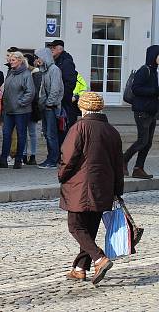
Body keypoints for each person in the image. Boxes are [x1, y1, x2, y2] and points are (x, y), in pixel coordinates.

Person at [59, 92, 124, 285]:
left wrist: (61, 174)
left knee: (76, 226)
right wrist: (117, 190)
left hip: (80, 187)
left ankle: (99, 258)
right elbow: (118, 164)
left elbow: (68, 158)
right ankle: (79, 269)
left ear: (83, 107)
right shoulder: (112, 131)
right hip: (104, 187)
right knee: (90, 229)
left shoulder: (79, 127)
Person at [122, 45, 159, 179]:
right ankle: (123, 160)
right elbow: (136, 89)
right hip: (142, 111)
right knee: (142, 141)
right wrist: (155, 91)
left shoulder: (154, 71)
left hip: (151, 111)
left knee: (148, 143)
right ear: (154, 56)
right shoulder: (144, 70)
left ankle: (138, 168)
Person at [0, 51, 34, 169]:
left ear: (20, 61)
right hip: (9, 110)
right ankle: (3, 159)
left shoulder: (26, 74)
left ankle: (18, 159)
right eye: (10, 60)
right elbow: (7, 90)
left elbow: (30, 92)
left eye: (13, 60)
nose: (10, 62)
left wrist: (20, 103)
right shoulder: (10, 73)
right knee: (6, 134)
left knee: (21, 135)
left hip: (21, 110)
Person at [36, 47, 64, 169]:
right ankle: (50, 157)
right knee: (47, 133)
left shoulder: (54, 70)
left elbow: (55, 89)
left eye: (39, 57)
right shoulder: (45, 71)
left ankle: (53, 159)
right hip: (46, 107)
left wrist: (49, 103)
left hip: (51, 107)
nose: (37, 60)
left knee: (51, 134)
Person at [48, 40, 78, 142]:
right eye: (50, 48)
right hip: (57, 101)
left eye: (53, 48)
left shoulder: (66, 62)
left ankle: (63, 155)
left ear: (60, 49)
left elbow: (70, 83)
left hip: (63, 103)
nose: (51, 50)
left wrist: (60, 97)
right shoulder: (55, 61)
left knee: (63, 130)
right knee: (56, 131)